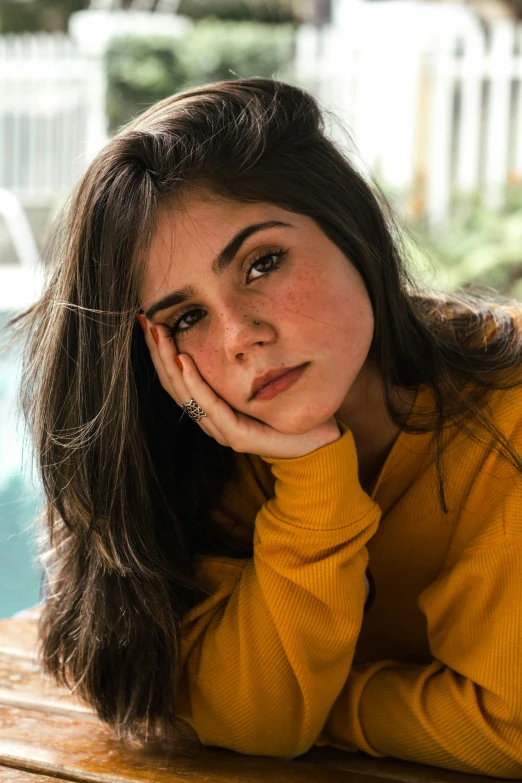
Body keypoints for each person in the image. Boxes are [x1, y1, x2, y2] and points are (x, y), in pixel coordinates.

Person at [14, 78, 522, 777]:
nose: (241, 336)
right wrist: (312, 471)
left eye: (262, 263)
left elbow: (509, 727)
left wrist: (326, 699)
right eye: (185, 317)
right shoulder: (197, 468)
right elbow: (260, 722)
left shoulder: (510, 415)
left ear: (350, 224)